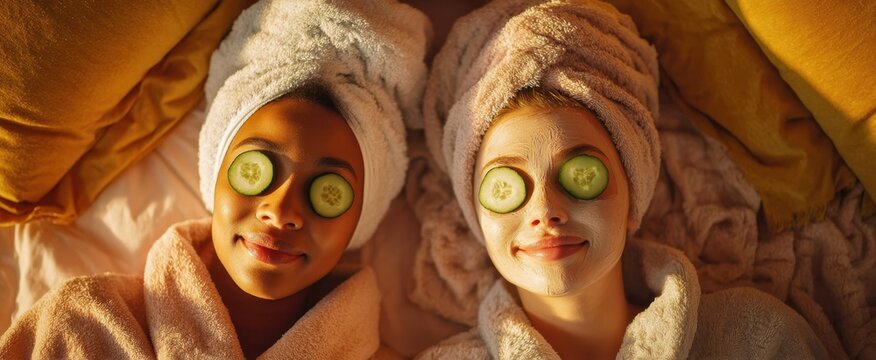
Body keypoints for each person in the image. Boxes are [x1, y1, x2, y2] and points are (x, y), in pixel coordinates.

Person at [0, 0, 428, 358]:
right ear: (215, 176)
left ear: (361, 221)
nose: (280, 211)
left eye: (327, 193)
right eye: (256, 170)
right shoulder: (79, 324)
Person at [416, 0, 829, 359]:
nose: (544, 211)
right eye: (505, 186)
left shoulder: (757, 339)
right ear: (475, 215)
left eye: (580, 174)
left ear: (634, 192)